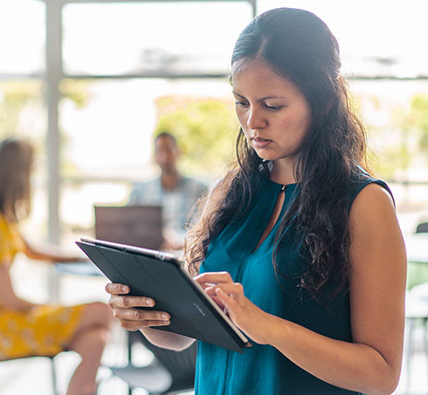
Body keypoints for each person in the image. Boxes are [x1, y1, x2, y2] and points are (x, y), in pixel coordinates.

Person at [105, 8, 406, 394]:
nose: (252, 122)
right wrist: (146, 315)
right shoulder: (231, 191)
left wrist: (268, 327)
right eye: (241, 102)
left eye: (272, 105)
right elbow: (183, 336)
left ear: (325, 103)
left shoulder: (364, 204)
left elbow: (382, 375)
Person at [0, 138, 111, 395]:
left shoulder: (0, 221)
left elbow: (34, 252)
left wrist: (88, 255)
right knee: (101, 311)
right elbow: (9, 300)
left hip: (2, 321)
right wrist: (51, 308)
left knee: (95, 339)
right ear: (18, 175)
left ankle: (81, 390)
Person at [128, 131, 208, 250]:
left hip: (185, 252)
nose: (165, 157)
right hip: (151, 252)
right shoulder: (140, 191)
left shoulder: (199, 189)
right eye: (160, 151)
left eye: (169, 150)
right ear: (155, 156)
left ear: (178, 152)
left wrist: (179, 242)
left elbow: (204, 230)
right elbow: (129, 228)